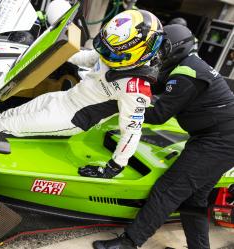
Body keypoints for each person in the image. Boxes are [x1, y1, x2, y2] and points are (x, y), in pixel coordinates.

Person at [92, 24, 234, 249]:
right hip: (218, 137)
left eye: (160, 50)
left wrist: (125, 107)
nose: (155, 54)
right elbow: (154, 85)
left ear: (175, 50)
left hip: (218, 141)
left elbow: (158, 114)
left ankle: (129, 243)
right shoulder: (187, 65)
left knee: (168, 189)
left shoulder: (187, 75)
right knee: (193, 200)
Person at [0, 9, 164, 178]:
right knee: (1, 118)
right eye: (105, 48)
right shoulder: (113, 50)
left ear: (139, 53)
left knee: (7, 126)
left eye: (113, 53)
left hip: (70, 118)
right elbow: (83, 57)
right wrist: (54, 45)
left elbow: (132, 132)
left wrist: (114, 167)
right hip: (62, 98)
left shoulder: (136, 89)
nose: (105, 55)